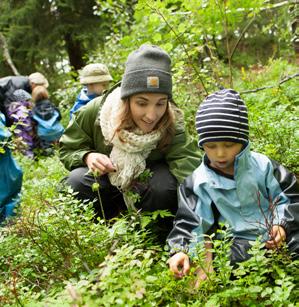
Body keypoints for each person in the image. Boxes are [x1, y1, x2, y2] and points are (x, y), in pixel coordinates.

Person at [59, 44, 201, 225]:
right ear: (127, 100)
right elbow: (68, 148)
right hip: (106, 187)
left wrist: (204, 211)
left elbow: (187, 165)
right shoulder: (96, 111)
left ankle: (155, 233)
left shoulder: (171, 120)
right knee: (76, 182)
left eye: (160, 103)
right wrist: (87, 156)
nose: (151, 115)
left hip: (148, 190)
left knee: (164, 186)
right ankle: (103, 230)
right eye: (142, 103)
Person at [167, 88, 299, 282]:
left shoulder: (265, 167)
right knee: (228, 261)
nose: (220, 154)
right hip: (238, 243)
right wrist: (181, 249)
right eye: (211, 146)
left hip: (276, 236)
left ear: (242, 140)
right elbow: (190, 221)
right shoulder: (198, 182)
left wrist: (282, 224)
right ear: (202, 145)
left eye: (229, 145)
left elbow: (292, 199)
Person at [0, 111, 23, 224]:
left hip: (5, 160)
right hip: (4, 163)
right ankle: (10, 223)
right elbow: (3, 138)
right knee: (9, 193)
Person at [31, 86, 64, 154]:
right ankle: (61, 149)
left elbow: (33, 123)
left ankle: (47, 152)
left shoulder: (34, 110)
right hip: (58, 131)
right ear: (46, 94)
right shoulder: (52, 106)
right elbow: (59, 117)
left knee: (45, 145)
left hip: (43, 134)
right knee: (60, 143)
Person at [7, 89, 36, 159]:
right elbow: (23, 121)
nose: (30, 102)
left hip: (20, 136)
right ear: (24, 100)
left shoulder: (16, 108)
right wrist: (30, 130)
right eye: (28, 100)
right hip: (25, 136)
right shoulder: (21, 110)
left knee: (23, 152)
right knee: (28, 153)